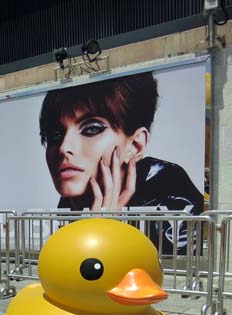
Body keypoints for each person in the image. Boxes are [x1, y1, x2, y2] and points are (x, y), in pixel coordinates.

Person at [39, 72, 203, 254]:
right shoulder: (74, 195)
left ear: (135, 144)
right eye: (55, 135)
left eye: (91, 129)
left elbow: (168, 277)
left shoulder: (174, 200)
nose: (64, 148)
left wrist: (105, 233)